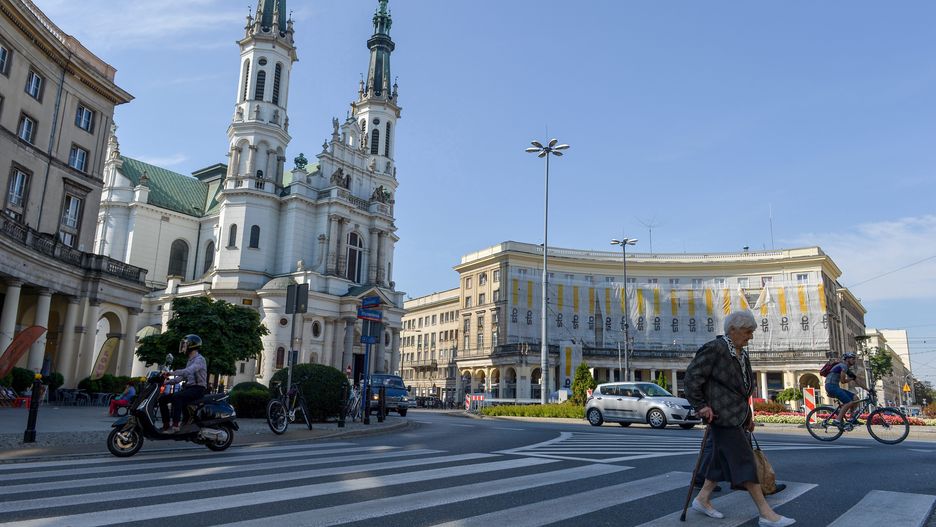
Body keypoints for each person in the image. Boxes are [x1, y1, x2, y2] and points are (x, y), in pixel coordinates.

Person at [684, 311, 795, 527]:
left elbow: (744, 390)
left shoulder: (741, 353)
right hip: (722, 416)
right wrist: (701, 406)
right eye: (747, 332)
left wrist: (749, 415)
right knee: (744, 461)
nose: (750, 337)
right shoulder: (715, 348)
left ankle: (702, 498)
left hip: (737, 415)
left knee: (718, 461)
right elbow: (691, 378)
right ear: (733, 330)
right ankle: (766, 513)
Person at [158, 334, 209, 433]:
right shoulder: (190, 361)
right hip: (189, 389)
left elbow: (187, 371)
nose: (183, 347)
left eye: (185, 345)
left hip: (198, 389)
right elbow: (180, 378)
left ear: (191, 346)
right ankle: (166, 425)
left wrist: (171, 373)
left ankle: (175, 426)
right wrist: (166, 382)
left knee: (177, 397)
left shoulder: (200, 360)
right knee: (162, 399)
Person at [825, 351, 869, 425]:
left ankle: (852, 418)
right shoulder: (843, 366)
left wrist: (868, 390)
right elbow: (843, 381)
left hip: (835, 387)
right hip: (831, 386)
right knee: (849, 402)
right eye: (853, 359)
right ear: (847, 359)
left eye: (854, 359)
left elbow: (857, 381)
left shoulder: (847, 369)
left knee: (855, 398)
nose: (854, 361)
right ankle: (837, 420)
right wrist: (850, 379)